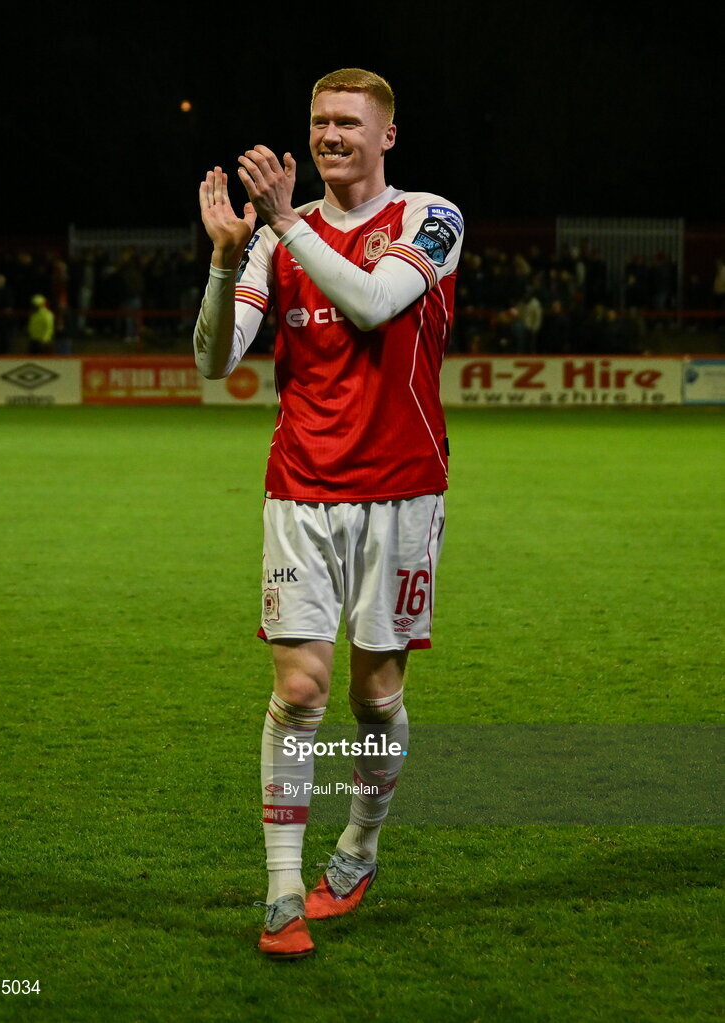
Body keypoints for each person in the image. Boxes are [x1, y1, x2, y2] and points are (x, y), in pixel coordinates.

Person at [193, 68, 463, 960]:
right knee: (301, 692)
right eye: (318, 120)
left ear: (389, 134)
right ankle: (280, 890)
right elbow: (212, 360)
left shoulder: (431, 217)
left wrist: (283, 224)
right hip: (301, 485)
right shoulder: (277, 240)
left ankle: (357, 848)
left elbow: (375, 301)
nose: (329, 134)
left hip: (403, 489)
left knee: (375, 694)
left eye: (349, 121)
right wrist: (230, 253)